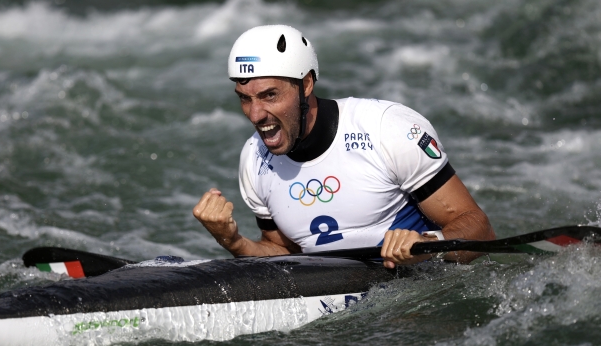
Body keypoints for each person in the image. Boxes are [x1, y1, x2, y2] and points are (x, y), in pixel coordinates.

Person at [193, 25, 495, 268]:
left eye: (269, 95)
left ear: (306, 84)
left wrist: (428, 245)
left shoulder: (386, 129)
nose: (255, 114)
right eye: (245, 98)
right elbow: (283, 255)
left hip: (421, 292)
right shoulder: (254, 159)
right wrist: (232, 241)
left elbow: (479, 230)